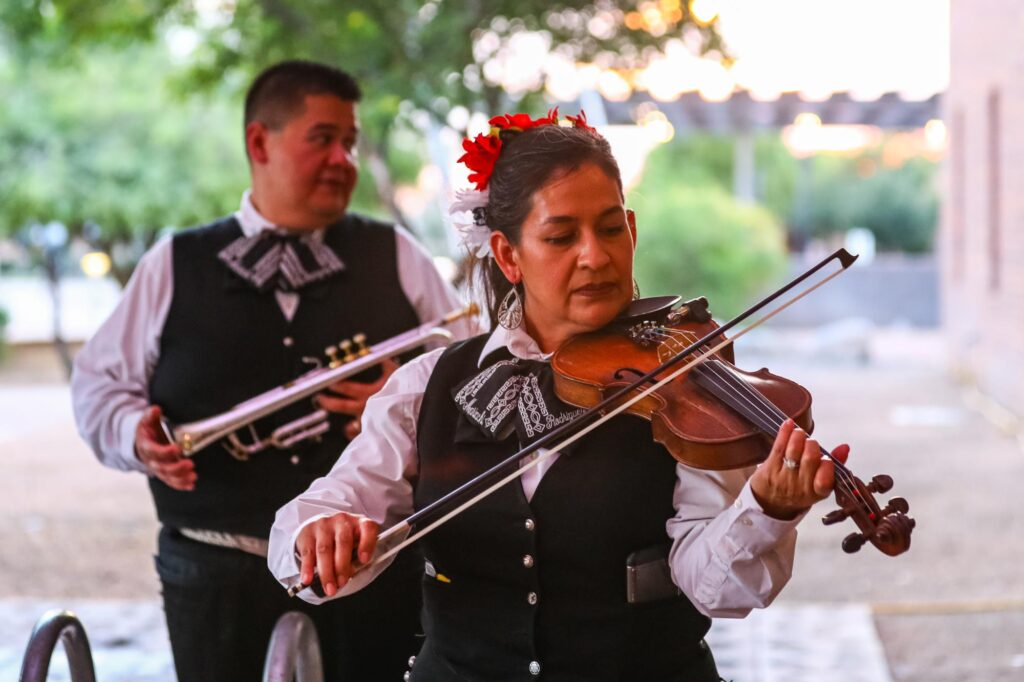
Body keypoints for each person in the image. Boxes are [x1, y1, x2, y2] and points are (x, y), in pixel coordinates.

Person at [268, 110, 851, 681]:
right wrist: (318, 536)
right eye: (561, 236)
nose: (594, 256)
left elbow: (713, 588)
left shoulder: (683, 380)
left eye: (609, 228)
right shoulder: (425, 388)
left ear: (633, 228)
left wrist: (766, 511)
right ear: (508, 255)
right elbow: (319, 513)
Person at [71, 59, 476, 682]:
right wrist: (135, 435)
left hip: (367, 570)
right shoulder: (175, 262)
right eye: (323, 138)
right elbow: (99, 386)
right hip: (213, 575)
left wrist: (405, 396)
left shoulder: (395, 252)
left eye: (350, 142)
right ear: (260, 142)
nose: (343, 159)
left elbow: (474, 368)